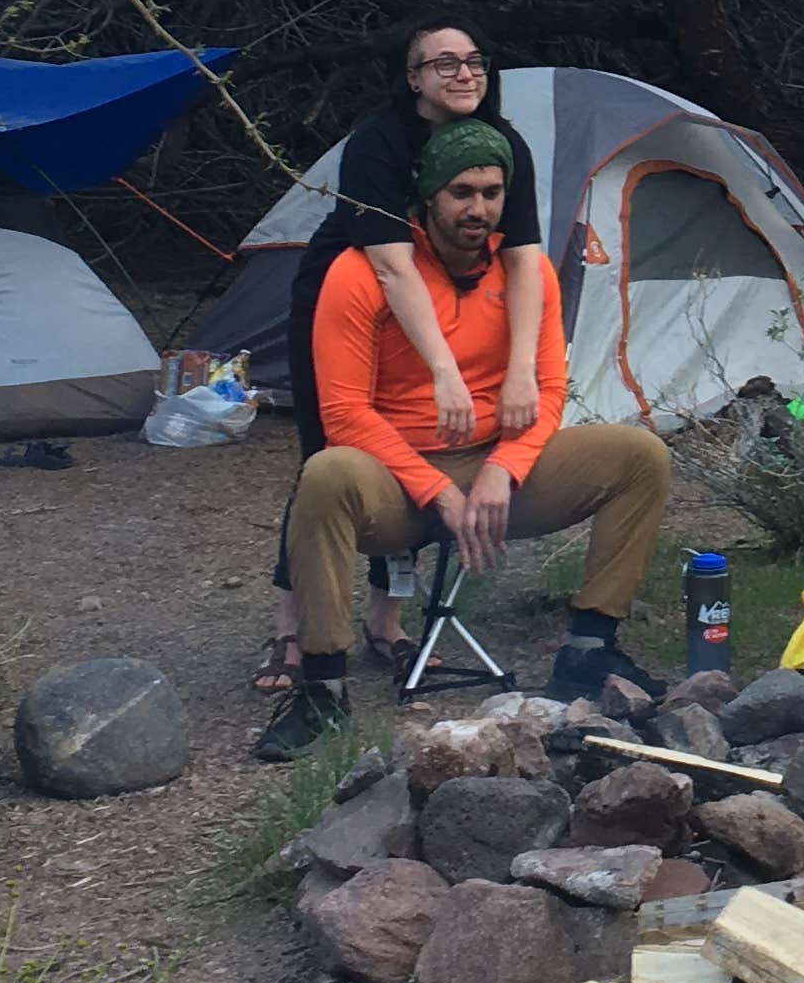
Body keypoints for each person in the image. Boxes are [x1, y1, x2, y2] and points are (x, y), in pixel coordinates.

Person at [253, 119, 672, 761]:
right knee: (327, 473)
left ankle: (588, 649)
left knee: (639, 455)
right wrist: (434, 490)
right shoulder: (359, 273)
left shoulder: (526, 273)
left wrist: (503, 468)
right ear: (427, 197)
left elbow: (549, 392)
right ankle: (322, 689)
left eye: (491, 191)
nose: (479, 208)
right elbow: (342, 414)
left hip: (494, 469)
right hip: (396, 478)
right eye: (461, 192)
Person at [254, 21, 550, 698]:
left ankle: (386, 623)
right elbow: (390, 268)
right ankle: (291, 628)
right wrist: (444, 368)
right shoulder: (378, 145)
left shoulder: (505, 145)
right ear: (412, 78)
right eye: (442, 64)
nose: (463, 73)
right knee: (331, 461)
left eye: (474, 60)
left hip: (446, 300)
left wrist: (522, 367)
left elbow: (525, 259)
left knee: (420, 448)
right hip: (352, 300)